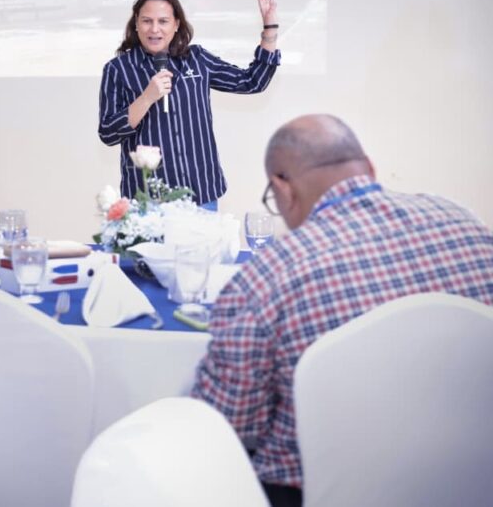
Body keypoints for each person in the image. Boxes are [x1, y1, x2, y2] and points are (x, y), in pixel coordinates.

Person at [190, 114, 493, 507]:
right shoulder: (466, 225)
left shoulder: (265, 278)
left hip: (314, 493)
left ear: (282, 189)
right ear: (369, 168)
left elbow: (228, 424)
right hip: (473, 481)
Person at [98, 0, 281, 207]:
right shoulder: (118, 69)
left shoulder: (196, 59)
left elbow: (253, 81)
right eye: (147, 21)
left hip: (201, 194)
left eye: (163, 21)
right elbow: (108, 133)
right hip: (146, 200)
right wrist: (146, 98)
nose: (154, 29)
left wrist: (269, 29)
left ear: (176, 24)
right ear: (136, 23)